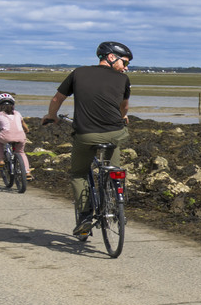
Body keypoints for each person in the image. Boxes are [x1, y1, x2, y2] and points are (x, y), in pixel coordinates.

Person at [42, 41, 133, 237]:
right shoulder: (123, 79)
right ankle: (117, 202)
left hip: (86, 134)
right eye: (124, 62)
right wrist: (122, 116)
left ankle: (85, 217)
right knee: (113, 168)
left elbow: (57, 99)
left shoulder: (78, 73)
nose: (126, 68)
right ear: (110, 57)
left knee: (79, 173)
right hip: (114, 133)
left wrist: (52, 116)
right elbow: (123, 107)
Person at [0, 92, 31, 178]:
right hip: (21, 136)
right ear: (13, 105)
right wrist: (27, 131)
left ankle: (0, 160)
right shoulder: (18, 113)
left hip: (6, 136)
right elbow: (25, 127)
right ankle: (27, 172)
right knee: (21, 152)